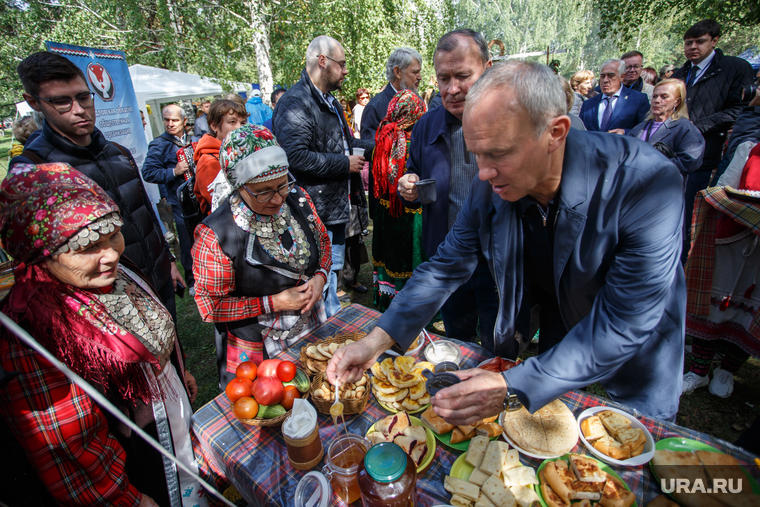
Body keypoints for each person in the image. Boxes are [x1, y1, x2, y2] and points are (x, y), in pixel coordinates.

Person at [329, 60, 685, 422]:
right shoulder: (491, 182)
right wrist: (378, 339)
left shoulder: (647, 183)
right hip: (553, 309)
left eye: (498, 154)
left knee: (638, 443)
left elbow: (625, 322)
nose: (483, 173)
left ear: (556, 133)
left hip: (640, 348)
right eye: (476, 154)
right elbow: (445, 267)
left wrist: (514, 386)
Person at [0, 163, 214, 507]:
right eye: (87, 247)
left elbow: (153, 324)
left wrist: (177, 367)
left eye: (113, 234)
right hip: (134, 463)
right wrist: (125, 499)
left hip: (168, 418)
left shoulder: (119, 269)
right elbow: (68, 443)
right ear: (40, 253)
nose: (111, 253)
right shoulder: (33, 329)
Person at [11, 51, 182, 321]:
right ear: (33, 102)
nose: (79, 109)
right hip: (102, 302)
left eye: (82, 97)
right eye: (61, 102)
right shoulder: (35, 170)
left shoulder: (119, 153)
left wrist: (167, 260)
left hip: (156, 280)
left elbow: (145, 210)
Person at [191, 125, 331, 390]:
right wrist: (272, 302)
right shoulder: (215, 235)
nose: (278, 198)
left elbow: (323, 241)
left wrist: (321, 277)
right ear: (239, 186)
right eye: (263, 191)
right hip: (259, 347)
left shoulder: (298, 198)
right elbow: (210, 306)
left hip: (310, 326)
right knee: (276, 409)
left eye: (282, 185)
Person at [396, 29, 501, 353]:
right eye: (443, 78)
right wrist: (408, 183)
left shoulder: (509, 121)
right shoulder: (426, 125)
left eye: (463, 76)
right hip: (448, 255)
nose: (452, 89)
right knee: (457, 341)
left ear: (488, 67)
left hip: (499, 260)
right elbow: (414, 168)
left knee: (501, 346)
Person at [272, 35, 374, 317]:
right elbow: (294, 158)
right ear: (322, 62)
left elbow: (346, 143)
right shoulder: (295, 102)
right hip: (312, 213)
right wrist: (344, 164)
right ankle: (323, 341)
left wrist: (385, 147)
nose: (345, 71)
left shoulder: (328, 100)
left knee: (332, 276)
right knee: (319, 281)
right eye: (341, 64)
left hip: (334, 210)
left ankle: (330, 334)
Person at [683, 125, 760, 398]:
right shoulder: (749, 149)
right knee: (714, 303)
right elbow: (723, 188)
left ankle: (727, 370)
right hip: (734, 237)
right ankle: (699, 370)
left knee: (751, 308)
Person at [671, 19, 755, 261]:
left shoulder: (734, 68)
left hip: (708, 157)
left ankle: (687, 271)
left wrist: (695, 127)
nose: (693, 47)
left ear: (715, 40)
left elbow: (740, 109)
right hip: (676, 155)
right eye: (688, 42)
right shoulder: (681, 72)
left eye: (700, 41)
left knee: (692, 221)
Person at [372, 90, 427, 310]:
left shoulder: (383, 136)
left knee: (389, 255)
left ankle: (388, 297)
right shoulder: (416, 141)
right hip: (409, 216)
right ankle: (415, 304)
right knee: (410, 256)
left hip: (385, 213)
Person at [360, 48, 423, 219]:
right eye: (415, 72)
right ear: (397, 72)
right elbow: (368, 149)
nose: (420, 77)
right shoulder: (376, 106)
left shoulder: (420, 103)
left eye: (420, 72)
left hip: (416, 199)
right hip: (386, 201)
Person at [142, 104, 196, 294]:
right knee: (187, 241)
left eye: (174, 120)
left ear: (184, 121)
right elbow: (148, 173)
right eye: (166, 120)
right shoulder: (160, 144)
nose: (170, 124)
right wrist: (173, 171)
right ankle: (192, 282)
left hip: (198, 198)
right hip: (180, 202)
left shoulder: (193, 140)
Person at [628, 78, 704, 177]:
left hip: (663, 187)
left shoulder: (685, 129)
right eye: (654, 96)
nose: (657, 101)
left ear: (677, 102)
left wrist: (653, 167)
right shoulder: (639, 128)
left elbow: (690, 161)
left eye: (664, 97)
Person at [193, 97, 249, 215]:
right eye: (232, 122)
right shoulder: (209, 161)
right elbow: (221, 205)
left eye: (243, 122)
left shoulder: (240, 149)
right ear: (214, 126)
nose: (239, 128)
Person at [579, 59, 650, 133]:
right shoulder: (588, 105)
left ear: (622, 76)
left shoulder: (638, 100)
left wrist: (625, 132)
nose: (605, 80)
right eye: (602, 76)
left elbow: (644, 131)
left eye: (611, 76)